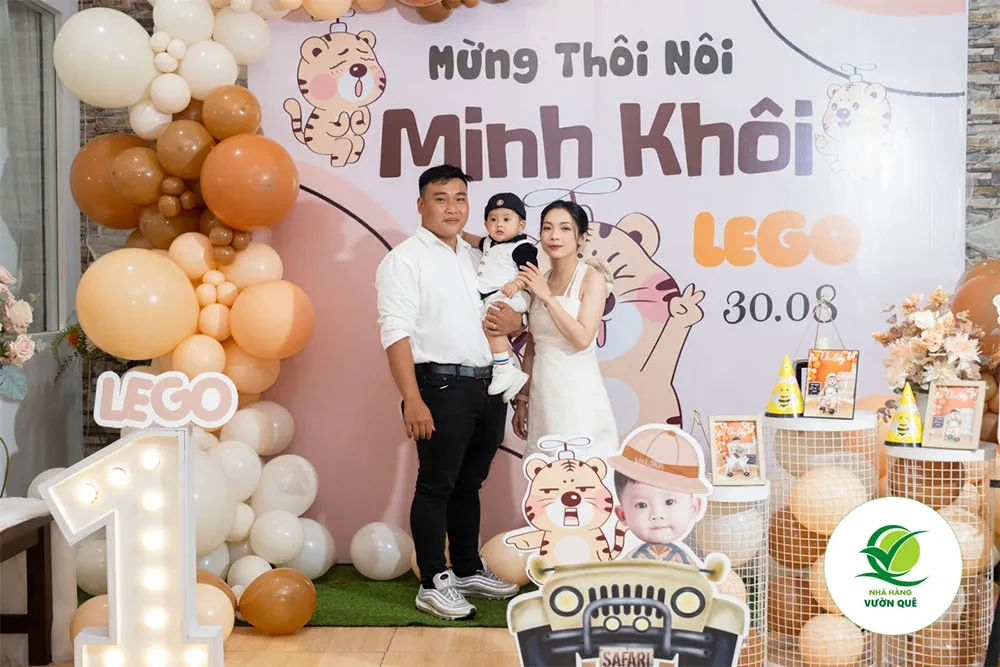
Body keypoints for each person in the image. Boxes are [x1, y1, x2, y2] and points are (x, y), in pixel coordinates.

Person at [374, 164, 520, 620]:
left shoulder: (476, 256)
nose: (452, 208)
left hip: (487, 384)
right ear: (421, 205)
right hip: (438, 385)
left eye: (460, 198)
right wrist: (413, 398)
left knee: (469, 483)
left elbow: (503, 311)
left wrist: (517, 322)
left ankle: (467, 568)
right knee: (436, 484)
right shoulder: (404, 260)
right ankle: (433, 581)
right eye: (441, 198)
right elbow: (395, 332)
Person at [508, 200, 620, 459]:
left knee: (581, 469)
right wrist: (522, 399)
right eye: (547, 228)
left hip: (578, 393)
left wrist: (547, 298)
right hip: (543, 394)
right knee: (546, 473)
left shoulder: (592, 278)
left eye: (565, 228)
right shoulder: (540, 281)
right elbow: (532, 348)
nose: (554, 236)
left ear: (582, 238)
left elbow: (582, 338)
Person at [460, 193, 536, 401]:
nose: (499, 224)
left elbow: (531, 273)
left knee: (493, 323)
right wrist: (460, 233)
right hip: (494, 296)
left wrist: (517, 284)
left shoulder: (521, 247)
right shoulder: (489, 243)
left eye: (506, 219)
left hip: (511, 294)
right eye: (493, 220)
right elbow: (473, 240)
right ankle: (509, 368)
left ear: (521, 225)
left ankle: (504, 368)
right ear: (486, 224)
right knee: (490, 324)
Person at [607, 427, 714, 564]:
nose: (657, 515)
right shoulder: (630, 561)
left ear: (694, 507)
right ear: (622, 515)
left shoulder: (685, 561)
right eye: (642, 505)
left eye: (669, 502)